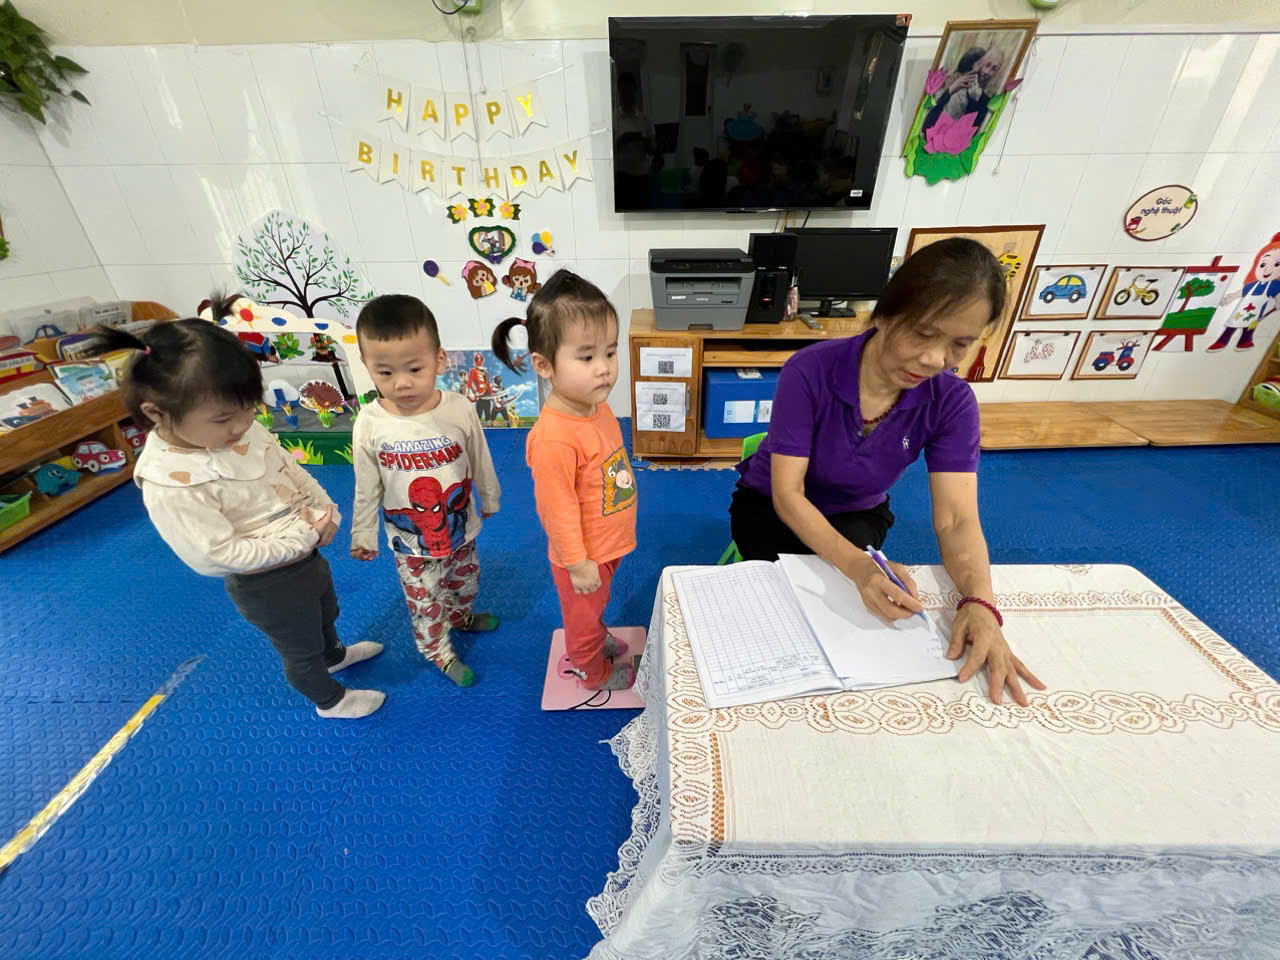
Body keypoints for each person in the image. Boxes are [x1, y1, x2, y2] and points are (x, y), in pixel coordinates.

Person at [731, 239, 1044, 707]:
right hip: (771, 508)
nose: (935, 359)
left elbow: (957, 519)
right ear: (885, 314)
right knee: (787, 609)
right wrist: (859, 566)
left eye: (959, 344)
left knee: (852, 611)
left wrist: (980, 603)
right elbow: (788, 494)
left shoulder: (952, 402)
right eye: (922, 334)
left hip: (857, 513)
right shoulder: (809, 370)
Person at [93, 298, 385, 719]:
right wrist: (304, 536)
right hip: (265, 583)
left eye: (249, 407)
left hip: (305, 554)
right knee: (299, 647)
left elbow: (290, 470)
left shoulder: (241, 430)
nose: (243, 423)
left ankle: (334, 655)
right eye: (224, 418)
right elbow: (215, 555)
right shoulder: (169, 481)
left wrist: (327, 511)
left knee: (325, 612)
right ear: (157, 414)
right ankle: (330, 700)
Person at [491, 270, 640, 691]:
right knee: (581, 617)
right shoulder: (554, 439)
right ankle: (590, 670)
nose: (604, 369)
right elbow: (555, 508)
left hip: (606, 544)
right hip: (583, 555)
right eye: (587, 357)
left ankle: (595, 635)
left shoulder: (597, 406)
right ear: (544, 365)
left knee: (595, 606)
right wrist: (577, 563)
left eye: (610, 353)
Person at [350, 295, 502, 688]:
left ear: (439, 359)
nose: (402, 383)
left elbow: (479, 456)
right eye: (385, 372)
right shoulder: (370, 422)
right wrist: (362, 533)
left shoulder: (458, 408)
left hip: (460, 529)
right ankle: (439, 652)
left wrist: (490, 496)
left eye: (414, 369)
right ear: (367, 366)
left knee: (465, 583)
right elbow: (366, 485)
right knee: (425, 601)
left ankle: (461, 616)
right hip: (411, 546)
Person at [1209, 232, 1280, 351]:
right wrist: (1231, 297)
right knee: (1233, 324)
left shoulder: (1275, 285)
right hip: (1242, 309)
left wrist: (1278, 303)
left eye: (1277, 264)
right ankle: (1222, 341)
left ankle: (1244, 341)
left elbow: (1278, 295)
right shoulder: (1253, 284)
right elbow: (1241, 292)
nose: (1267, 269)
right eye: (1263, 264)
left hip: (1256, 311)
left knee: (1250, 326)